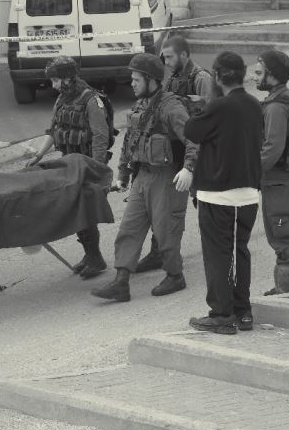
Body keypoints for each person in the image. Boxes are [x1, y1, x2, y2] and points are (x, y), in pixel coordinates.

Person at [91, 54, 197, 302]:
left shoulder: (171, 107)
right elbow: (130, 141)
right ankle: (121, 282)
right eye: (132, 79)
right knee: (129, 228)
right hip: (143, 176)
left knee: (167, 231)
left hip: (167, 178)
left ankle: (175, 275)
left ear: (151, 80)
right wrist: (123, 174)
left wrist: (189, 168)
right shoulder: (141, 105)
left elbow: (195, 138)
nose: (132, 84)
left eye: (136, 79)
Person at [184, 51, 263, 335]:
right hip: (249, 193)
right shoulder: (254, 104)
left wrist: (201, 106)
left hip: (218, 194)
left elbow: (192, 131)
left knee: (218, 256)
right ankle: (243, 312)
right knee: (239, 252)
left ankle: (221, 314)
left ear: (217, 76)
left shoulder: (219, 106)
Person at [27, 56, 110, 280]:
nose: (53, 85)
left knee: (85, 212)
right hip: (69, 163)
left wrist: (97, 169)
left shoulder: (92, 100)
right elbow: (54, 130)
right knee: (77, 211)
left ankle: (95, 258)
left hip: (87, 165)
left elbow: (101, 137)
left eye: (56, 80)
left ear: (69, 78)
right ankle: (90, 255)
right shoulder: (62, 99)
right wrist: (38, 155)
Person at [135, 35, 213, 275]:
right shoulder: (173, 78)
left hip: (199, 153)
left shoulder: (201, 78)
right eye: (164, 57)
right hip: (175, 153)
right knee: (163, 208)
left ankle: (216, 249)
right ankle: (158, 252)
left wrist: (202, 103)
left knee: (205, 204)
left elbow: (214, 116)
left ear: (184, 55)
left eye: (169, 57)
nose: (166, 62)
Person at [253, 50, 289, 295]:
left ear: (272, 74)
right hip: (287, 179)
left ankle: (287, 290)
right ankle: (283, 287)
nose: (254, 77)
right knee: (283, 229)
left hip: (280, 181)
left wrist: (250, 172)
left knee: (284, 232)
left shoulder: (277, 107)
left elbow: (272, 149)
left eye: (259, 72)